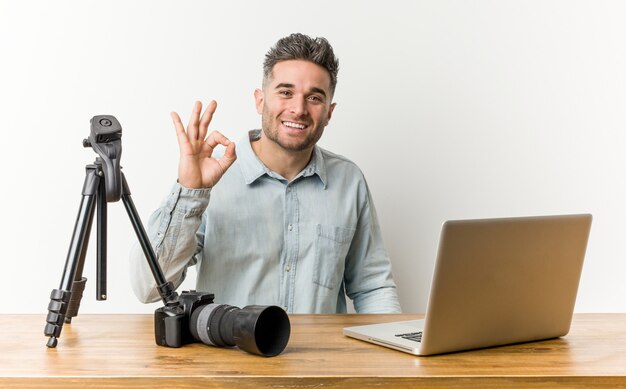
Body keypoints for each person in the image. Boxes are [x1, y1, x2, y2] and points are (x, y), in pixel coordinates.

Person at [130, 33, 401, 313]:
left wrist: (395, 353)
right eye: (285, 92)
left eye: (314, 97)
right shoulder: (211, 177)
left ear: (329, 112)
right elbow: (148, 287)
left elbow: (372, 287)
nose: (298, 109)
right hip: (230, 355)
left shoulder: (349, 181)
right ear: (260, 100)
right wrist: (189, 192)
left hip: (319, 357)